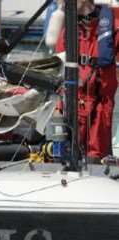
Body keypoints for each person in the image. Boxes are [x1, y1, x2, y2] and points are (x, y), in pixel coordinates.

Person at [54, 0, 119, 162]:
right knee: (65, 158)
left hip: (100, 106)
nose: (61, 3)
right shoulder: (68, 29)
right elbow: (57, 71)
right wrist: (57, 107)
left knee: (95, 159)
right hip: (71, 104)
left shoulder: (112, 25)